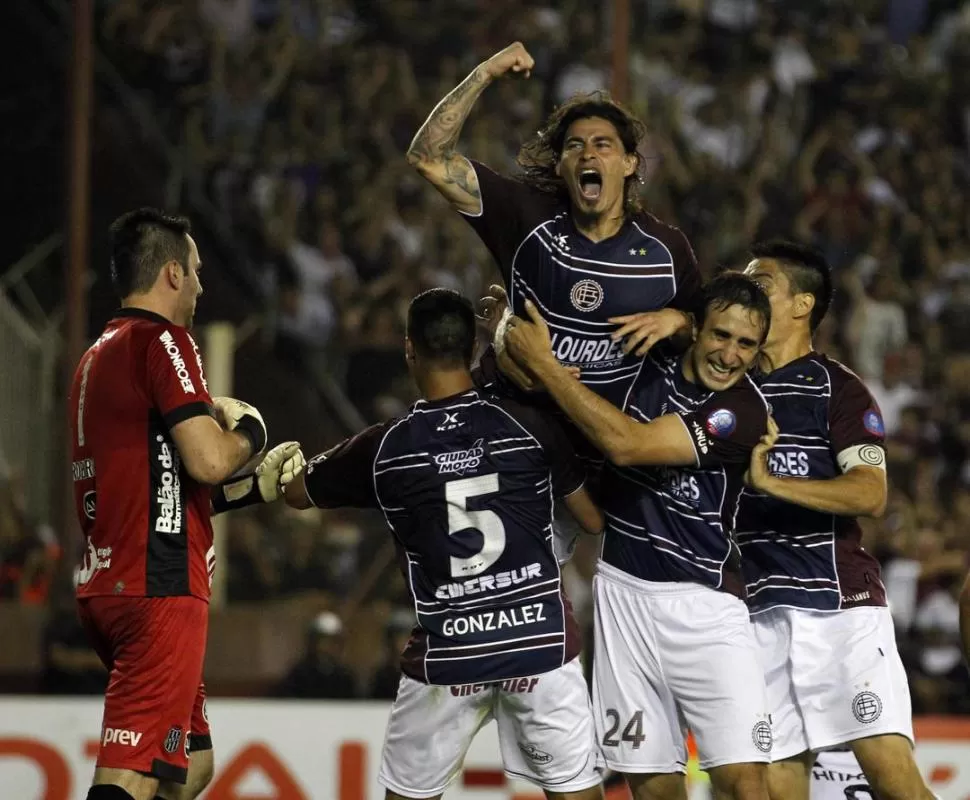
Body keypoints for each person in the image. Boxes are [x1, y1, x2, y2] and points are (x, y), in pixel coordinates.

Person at [284, 288, 606, 800]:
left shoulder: (385, 448)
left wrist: (284, 469)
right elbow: (591, 518)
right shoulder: (526, 423)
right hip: (538, 643)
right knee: (577, 793)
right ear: (474, 347)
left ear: (409, 349)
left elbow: (298, 492)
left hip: (450, 654)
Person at [505, 273, 773, 800]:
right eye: (721, 335)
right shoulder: (639, 371)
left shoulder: (743, 411)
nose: (730, 354)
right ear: (695, 329)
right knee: (651, 787)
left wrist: (546, 367)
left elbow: (627, 445)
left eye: (746, 344)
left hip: (706, 609)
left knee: (745, 784)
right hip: (621, 597)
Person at [70, 208, 303, 800]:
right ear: (172, 274)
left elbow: (162, 489)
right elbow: (206, 461)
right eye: (197, 272)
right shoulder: (163, 340)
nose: (200, 286)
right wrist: (252, 429)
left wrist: (253, 489)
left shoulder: (97, 356)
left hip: (111, 580)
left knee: (189, 767)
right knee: (130, 776)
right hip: (159, 589)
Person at [739, 239, 934, 800]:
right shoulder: (729, 387)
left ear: (802, 304)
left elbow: (870, 493)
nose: (747, 292)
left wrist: (772, 482)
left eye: (763, 283)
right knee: (777, 783)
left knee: (891, 775)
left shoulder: (838, 390)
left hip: (839, 608)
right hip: (758, 611)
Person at [407, 42, 703, 410]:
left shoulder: (666, 250)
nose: (588, 154)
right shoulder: (526, 216)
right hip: (518, 431)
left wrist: (678, 321)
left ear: (630, 164)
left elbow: (710, 337)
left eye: (603, 145)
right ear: (561, 165)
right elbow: (428, 158)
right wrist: (486, 71)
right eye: (574, 145)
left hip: (613, 450)